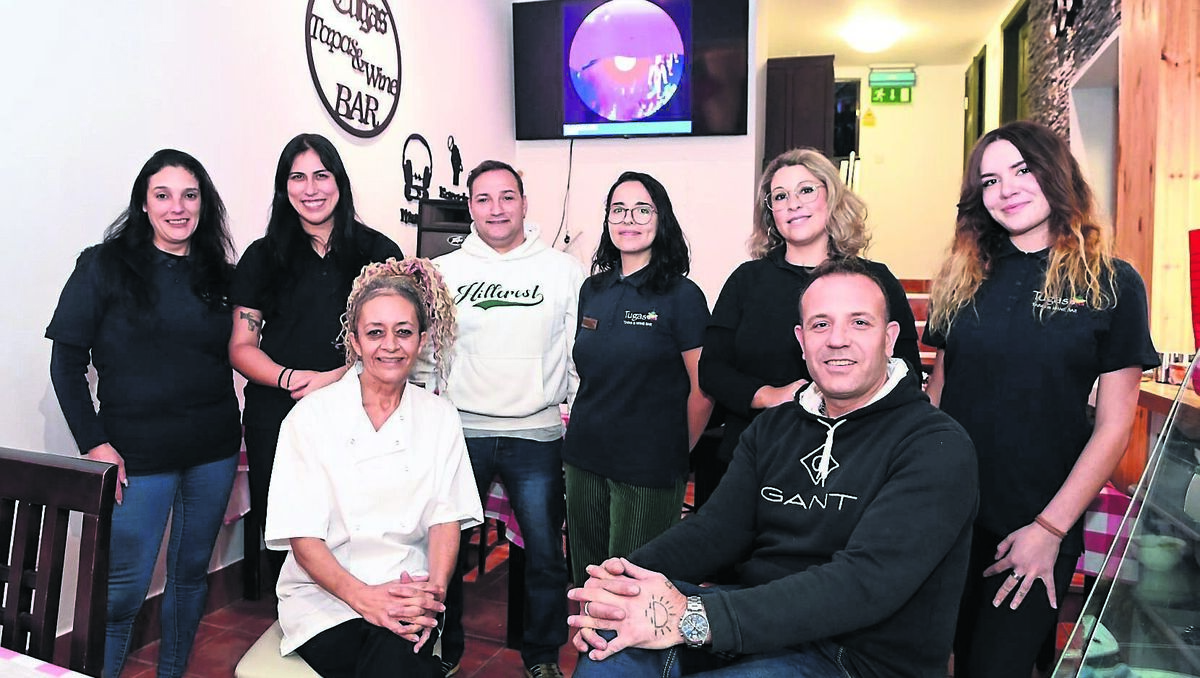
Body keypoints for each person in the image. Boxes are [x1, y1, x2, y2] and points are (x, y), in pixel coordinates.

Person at [568, 257, 978, 678]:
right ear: (801, 341)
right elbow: (715, 531)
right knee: (609, 648)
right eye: (821, 324)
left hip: (856, 655)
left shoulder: (936, 446)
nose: (837, 339)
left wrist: (695, 617)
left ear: (890, 338)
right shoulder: (774, 427)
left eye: (859, 323)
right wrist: (620, 585)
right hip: (758, 619)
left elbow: (863, 583)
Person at [923, 120, 1159, 677]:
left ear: (1055, 175)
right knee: (936, 661)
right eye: (989, 180)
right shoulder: (961, 276)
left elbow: (1115, 426)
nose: (1006, 190)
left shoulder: (1113, 282)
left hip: (1035, 524)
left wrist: (1050, 531)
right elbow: (937, 395)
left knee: (996, 666)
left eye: (1022, 171)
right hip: (947, 515)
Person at [46, 149, 241, 678]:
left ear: (204, 204)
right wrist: (94, 444)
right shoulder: (103, 265)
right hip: (136, 456)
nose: (177, 207)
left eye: (190, 195)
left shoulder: (221, 275)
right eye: (163, 195)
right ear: (143, 203)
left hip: (214, 450)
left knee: (189, 577)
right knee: (122, 594)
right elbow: (65, 362)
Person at [265, 258, 482, 678]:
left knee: (394, 653)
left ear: (421, 340)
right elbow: (303, 538)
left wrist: (433, 595)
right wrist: (365, 599)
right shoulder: (310, 418)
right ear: (355, 341)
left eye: (404, 332)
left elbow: (445, 520)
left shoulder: (439, 417)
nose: (390, 345)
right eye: (376, 333)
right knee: (396, 663)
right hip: (325, 599)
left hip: (409, 589)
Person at [696, 148, 920, 508]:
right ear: (771, 212)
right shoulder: (747, 281)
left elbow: (905, 370)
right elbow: (713, 370)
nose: (792, 204)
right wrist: (770, 395)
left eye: (806, 190)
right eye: (780, 196)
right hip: (753, 459)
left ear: (831, 197)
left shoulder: (875, 280)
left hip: (853, 460)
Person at [229, 133, 403, 581]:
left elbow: (393, 340)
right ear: (283, 188)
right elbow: (241, 347)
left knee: (357, 521)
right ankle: (294, 624)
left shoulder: (378, 253)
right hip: (278, 414)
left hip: (360, 410)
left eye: (321, 175)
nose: (311, 189)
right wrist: (290, 378)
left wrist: (336, 377)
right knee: (287, 522)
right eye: (298, 177)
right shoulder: (261, 256)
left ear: (339, 182)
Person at [436, 160, 584, 678]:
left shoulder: (563, 271)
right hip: (463, 432)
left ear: (524, 202)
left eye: (506, 197)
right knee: (445, 550)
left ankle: (541, 655)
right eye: (483, 198)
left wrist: (566, 403)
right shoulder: (445, 271)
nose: (495, 208)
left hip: (536, 433)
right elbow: (432, 353)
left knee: (545, 554)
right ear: (470, 207)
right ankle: (444, 648)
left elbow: (575, 353)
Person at [562, 171, 713, 585]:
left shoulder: (683, 297)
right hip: (583, 460)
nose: (629, 218)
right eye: (619, 209)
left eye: (642, 209)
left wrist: (674, 453)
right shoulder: (592, 289)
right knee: (586, 582)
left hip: (648, 469)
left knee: (632, 590)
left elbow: (703, 390)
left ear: (660, 219)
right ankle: (587, 653)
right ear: (608, 221)